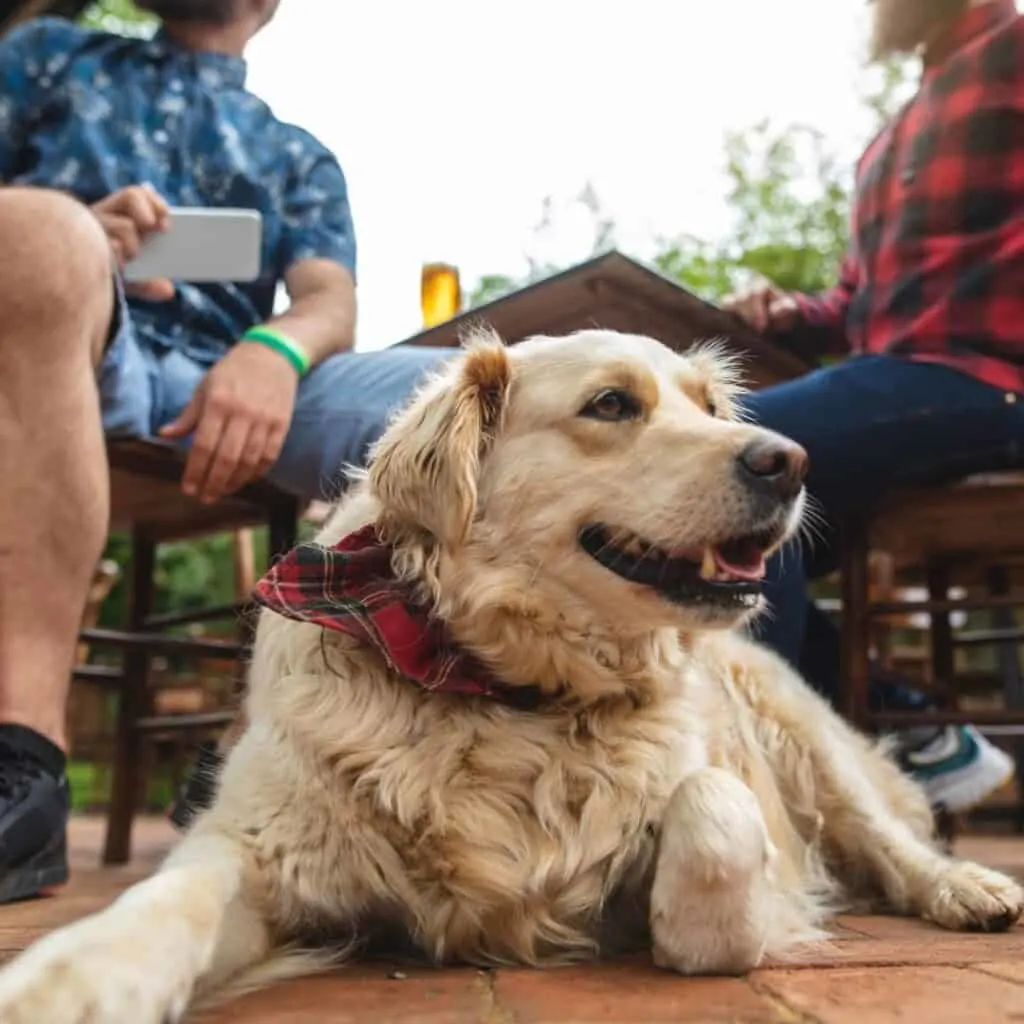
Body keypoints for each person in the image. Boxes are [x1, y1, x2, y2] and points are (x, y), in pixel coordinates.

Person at [0, 0, 456, 902]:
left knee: (467, 398)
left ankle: (346, 763)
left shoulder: (297, 154)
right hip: (79, 337)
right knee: (43, 237)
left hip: (244, 375)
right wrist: (74, 232)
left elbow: (329, 299)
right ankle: (23, 760)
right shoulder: (46, 56)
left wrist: (276, 350)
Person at [725, 0, 1023, 815]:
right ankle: (915, 740)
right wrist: (788, 311)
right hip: (898, 379)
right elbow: (856, 306)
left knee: (737, 451)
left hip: (989, 381)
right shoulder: (889, 141)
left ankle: (764, 788)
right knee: (727, 524)